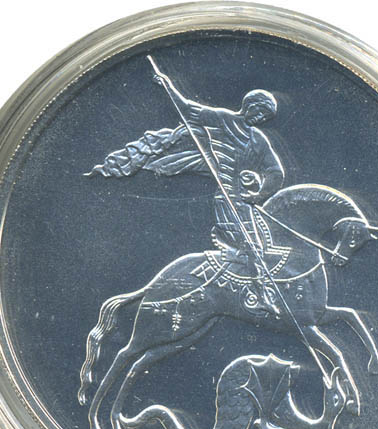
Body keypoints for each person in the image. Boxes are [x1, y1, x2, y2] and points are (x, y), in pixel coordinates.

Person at [87, 71, 285, 315]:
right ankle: (260, 295)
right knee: (251, 247)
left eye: (266, 116)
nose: (261, 118)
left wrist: (259, 194)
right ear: (249, 106)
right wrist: (167, 85)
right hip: (226, 199)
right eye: (260, 111)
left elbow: (275, 171)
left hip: (245, 201)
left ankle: (243, 286)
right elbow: (186, 109)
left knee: (264, 245)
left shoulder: (258, 139)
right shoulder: (221, 119)